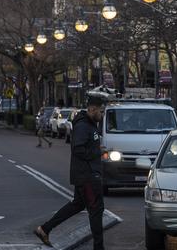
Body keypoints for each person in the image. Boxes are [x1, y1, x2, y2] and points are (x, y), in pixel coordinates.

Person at [35, 97, 105, 249]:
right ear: (92, 110)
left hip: (86, 174)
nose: (102, 114)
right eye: (101, 111)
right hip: (87, 176)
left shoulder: (91, 125)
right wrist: (96, 152)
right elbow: (78, 149)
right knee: (96, 210)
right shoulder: (83, 126)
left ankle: (45, 229)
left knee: (78, 205)